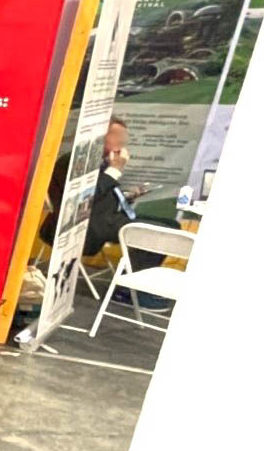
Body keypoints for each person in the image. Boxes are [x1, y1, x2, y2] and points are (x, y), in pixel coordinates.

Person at [39, 118, 179, 308]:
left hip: (107, 217)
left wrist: (128, 195)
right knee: (157, 233)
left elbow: (102, 194)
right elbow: (82, 199)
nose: (122, 143)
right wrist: (114, 171)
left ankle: (132, 282)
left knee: (172, 226)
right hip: (85, 224)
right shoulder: (75, 161)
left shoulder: (101, 161)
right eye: (118, 138)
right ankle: (126, 291)